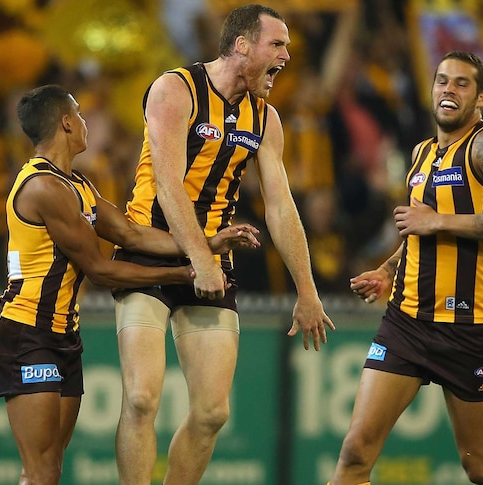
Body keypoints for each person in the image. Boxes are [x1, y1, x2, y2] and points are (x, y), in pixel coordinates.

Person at [0, 84, 260, 485]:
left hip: (62, 333)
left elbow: (132, 235)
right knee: (40, 469)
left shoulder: (76, 184)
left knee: (52, 467)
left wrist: (208, 245)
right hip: (26, 331)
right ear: (65, 123)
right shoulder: (45, 187)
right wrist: (185, 273)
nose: (84, 122)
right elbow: (101, 270)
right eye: (78, 115)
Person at [112, 5, 335, 484]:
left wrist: (307, 290)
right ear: (241, 46)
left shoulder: (266, 118)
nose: (288, 57)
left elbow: (281, 206)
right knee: (140, 397)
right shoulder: (176, 89)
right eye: (277, 45)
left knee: (212, 413)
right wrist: (199, 258)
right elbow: (169, 185)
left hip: (211, 259)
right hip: (149, 253)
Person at [329, 51, 483, 485]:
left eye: (462, 83)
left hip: (468, 330)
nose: (448, 89)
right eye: (442, 80)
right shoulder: (422, 153)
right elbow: (419, 234)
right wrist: (388, 269)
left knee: (480, 467)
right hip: (406, 323)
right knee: (354, 453)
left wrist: (437, 220)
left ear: (481, 97)